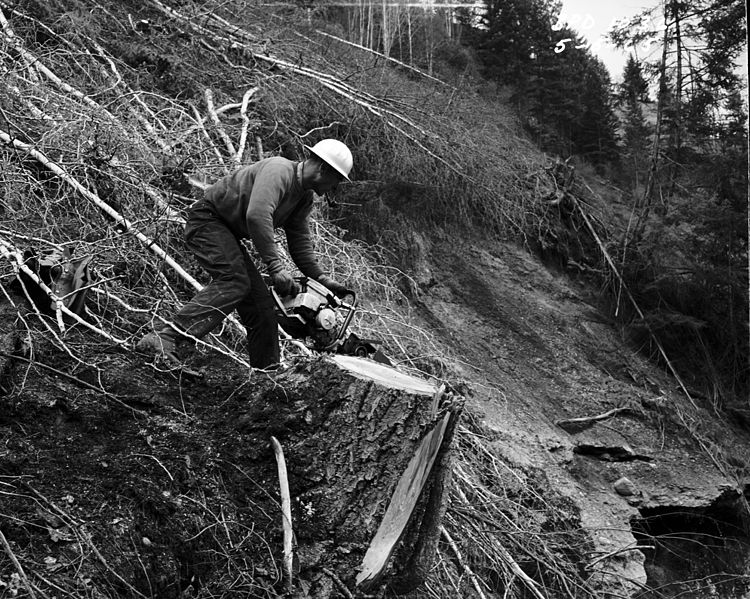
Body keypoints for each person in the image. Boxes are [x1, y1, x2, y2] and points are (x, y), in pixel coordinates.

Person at [137, 139, 353, 369]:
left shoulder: (303, 197)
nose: (333, 188)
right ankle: (166, 337)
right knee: (235, 281)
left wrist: (322, 279)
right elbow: (258, 215)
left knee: (261, 306)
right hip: (208, 221)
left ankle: (267, 373)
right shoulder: (279, 170)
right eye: (336, 181)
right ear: (323, 169)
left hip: (226, 232)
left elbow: (299, 241)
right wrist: (276, 267)